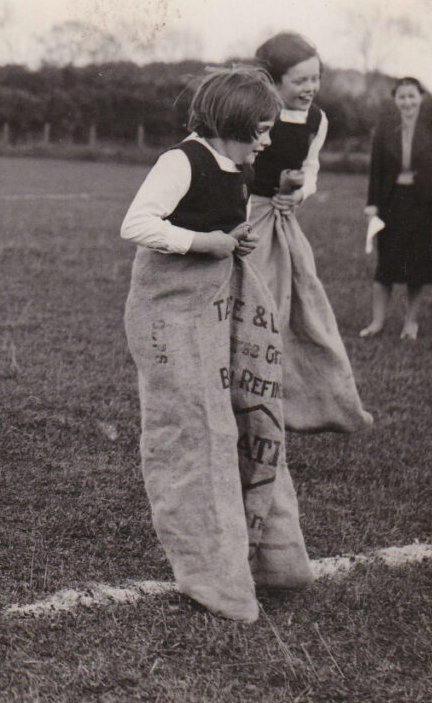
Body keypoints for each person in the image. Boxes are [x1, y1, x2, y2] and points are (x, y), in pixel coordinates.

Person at [123, 67, 315, 622]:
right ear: (229, 121)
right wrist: (203, 241)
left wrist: (233, 239)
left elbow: (219, 230)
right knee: (196, 432)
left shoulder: (238, 167)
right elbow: (136, 224)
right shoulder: (181, 161)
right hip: (171, 314)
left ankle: (271, 557)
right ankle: (213, 576)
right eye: (259, 127)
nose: (267, 139)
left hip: (220, 307)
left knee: (255, 422)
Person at [250, 32, 371, 432]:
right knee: (249, 307)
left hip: (283, 225)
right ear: (274, 81)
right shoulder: (249, 111)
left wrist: (299, 193)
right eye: (299, 80)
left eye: (315, 78)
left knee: (297, 309)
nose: (310, 88)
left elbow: (312, 170)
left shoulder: (318, 121)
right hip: (244, 218)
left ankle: (304, 403)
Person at [361, 77, 432, 340]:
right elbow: (376, 170)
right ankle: (377, 322)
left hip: (423, 202)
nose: (407, 102)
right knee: (386, 264)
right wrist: (372, 205)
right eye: (402, 97)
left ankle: (411, 323)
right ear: (396, 100)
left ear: (421, 97)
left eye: (412, 96)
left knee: (417, 265)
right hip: (391, 203)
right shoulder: (385, 128)